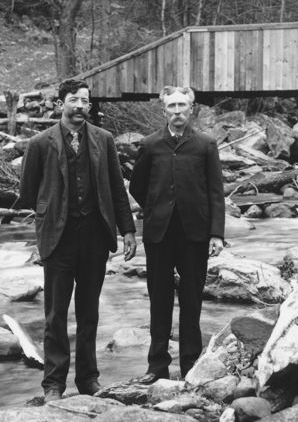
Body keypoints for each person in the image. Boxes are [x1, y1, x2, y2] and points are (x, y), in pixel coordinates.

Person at [12, 78, 136, 402]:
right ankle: (53, 384)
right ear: (60, 104)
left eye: (85, 100)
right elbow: (27, 192)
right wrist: (46, 217)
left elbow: (117, 190)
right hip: (58, 239)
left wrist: (128, 231)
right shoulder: (40, 143)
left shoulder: (104, 140)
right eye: (73, 100)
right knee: (55, 314)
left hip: (95, 237)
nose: (80, 106)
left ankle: (88, 379)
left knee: (88, 312)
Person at [128, 85, 225, 383]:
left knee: (192, 300)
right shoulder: (150, 144)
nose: (178, 111)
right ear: (164, 110)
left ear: (192, 109)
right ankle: (156, 366)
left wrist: (216, 234)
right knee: (159, 300)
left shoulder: (206, 145)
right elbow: (137, 187)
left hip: (195, 235)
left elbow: (215, 193)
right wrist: (157, 208)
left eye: (183, 105)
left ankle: (190, 365)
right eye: (172, 106)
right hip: (159, 234)